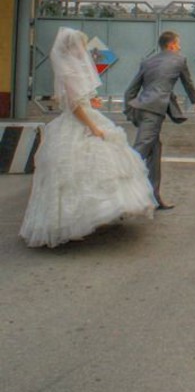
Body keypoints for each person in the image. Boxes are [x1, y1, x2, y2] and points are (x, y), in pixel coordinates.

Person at [20, 27, 156, 249]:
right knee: (82, 173)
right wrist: (93, 127)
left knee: (81, 175)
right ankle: (77, 222)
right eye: (81, 46)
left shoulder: (67, 70)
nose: (84, 51)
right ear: (72, 48)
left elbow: (67, 99)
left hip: (81, 119)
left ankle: (88, 219)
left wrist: (89, 103)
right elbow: (74, 107)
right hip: (81, 124)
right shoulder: (69, 72)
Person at [124, 30, 195, 209]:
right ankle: (117, 194)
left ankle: (154, 197)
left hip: (143, 108)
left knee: (155, 151)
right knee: (138, 153)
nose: (180, 47)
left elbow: (130, 90)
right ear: (171, 45)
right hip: (154, 111)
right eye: (178, 44)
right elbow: (188, 83)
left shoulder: (147, 61)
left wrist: (130, 109)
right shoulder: (179, 60)